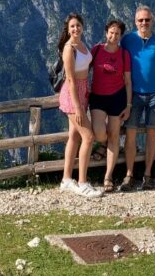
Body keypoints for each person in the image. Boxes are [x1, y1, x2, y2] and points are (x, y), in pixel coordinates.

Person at [120, 5, 155, 191]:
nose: (144, 23)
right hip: (133, 95)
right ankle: (129, 174)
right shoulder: (127, 40)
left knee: (152, 134)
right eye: (140, 20)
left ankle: (147, 174)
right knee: (130, 134)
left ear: (152, 21)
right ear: (135, 22)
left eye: (147, 20)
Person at [56, 13, 102, 198]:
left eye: (78, 25)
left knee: (74, 137)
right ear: (68, 30)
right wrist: (78, 108)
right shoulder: (69, 48)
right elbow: (70, 80)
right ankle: (82, 182)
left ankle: (66, 180)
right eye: (72, 27)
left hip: (83, 92)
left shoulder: (82, 45)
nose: (76, 29)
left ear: (82, 27)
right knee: (89, 137)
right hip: (72, 95)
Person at [89, 19, 132, 193]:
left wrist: (128, 105)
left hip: (117, 97)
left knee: (114, 136)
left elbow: (128, 81)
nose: (114, 36)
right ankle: (103, 144)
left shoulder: (124, 54)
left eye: (117, 33)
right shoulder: (97, 50)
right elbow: (84, 69)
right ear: (106, 33)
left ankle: (108, 176)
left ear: (121, 36)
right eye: (111, 32)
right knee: (99, 133)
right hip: (98, 97)